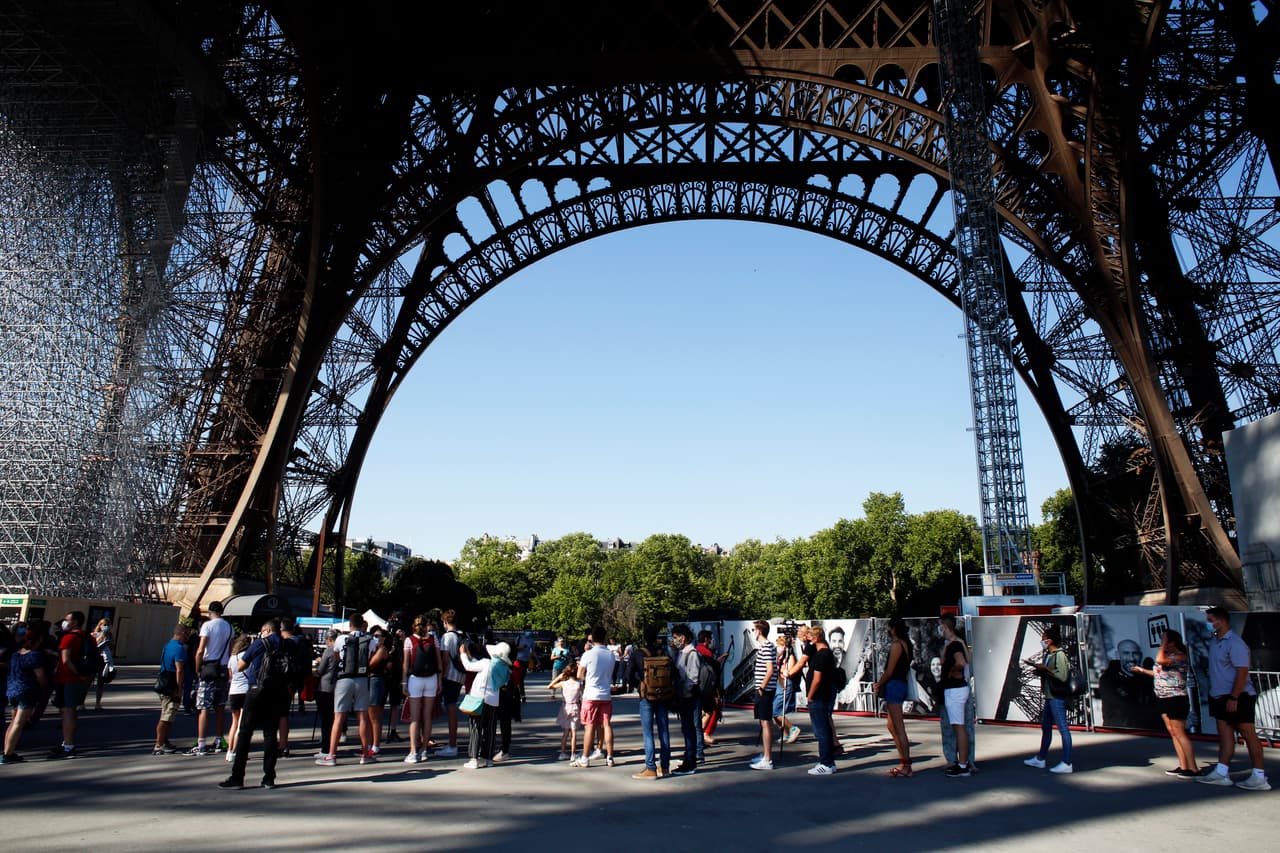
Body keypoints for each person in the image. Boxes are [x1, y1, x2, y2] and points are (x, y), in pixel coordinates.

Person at [1196, 606, 1269, 791]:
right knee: (1225, 734)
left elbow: (1242, 671)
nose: (1208, 623)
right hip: (1219, 696)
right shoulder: (1215, 641)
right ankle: (1222, 772)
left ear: (1221, 620)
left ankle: (1259, 776)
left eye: (1211, 619)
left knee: (1247, 733)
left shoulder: (1235, 643)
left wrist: (1234, 697)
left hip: (1239, 697)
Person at [220, 619, 289, 789]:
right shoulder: (286, 645)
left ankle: (238, 777)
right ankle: (268, 777)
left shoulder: (260, 643)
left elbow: (241, 665)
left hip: (256, 689)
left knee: (245, 732)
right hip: (277, 691)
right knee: (270, 734)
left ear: (266, 630)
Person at [1131, 629, 1198, 778]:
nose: (1164, 644)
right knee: (1173, 732)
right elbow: (1159, 672)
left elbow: (1160, 661)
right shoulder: (1167, 656)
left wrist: (1163, 645)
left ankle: (1193, 768)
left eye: (1166, 641)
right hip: (1163, 697)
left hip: (1176, 697)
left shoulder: (1180, 656)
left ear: (1172, 642)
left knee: (1180, 732)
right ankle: (1183, 765)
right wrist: (1142, 671)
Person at [318, 614, 382, 766]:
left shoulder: (341, 639)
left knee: (339, 717)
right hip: (361, 678)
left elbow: (336, 655)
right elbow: (372, 655)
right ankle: (365, 754)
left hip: (344, 679)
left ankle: (332, 755)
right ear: (363, 624)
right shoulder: (370, 640)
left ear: (350, 625)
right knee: (362, 717)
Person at [1024, 623, 1073, 774]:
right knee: (1046, 728)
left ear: (1050, 641)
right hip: (1050, 695)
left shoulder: (1059, 655)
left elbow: (1062, 676)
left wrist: (1045, 669)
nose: (1042, 641)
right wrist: (1039, 671)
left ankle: (1067, 762)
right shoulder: (1049, 655)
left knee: (1063, 729)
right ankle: (1040, 758)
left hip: (1056, 696)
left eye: (1043, 638)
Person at [627, 626, 672, 779]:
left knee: (648, 732)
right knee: (664, 730)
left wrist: (637, 684)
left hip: (646, 694)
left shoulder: (638, 654)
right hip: (663, 694)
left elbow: (628, 675)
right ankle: (664, 766)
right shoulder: (663, 653)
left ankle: (650, 767)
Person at [460, 640, 511, 769]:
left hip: (479, 699)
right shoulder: (504, 669)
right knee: (490, 730)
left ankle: (474, 759)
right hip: (493, 701)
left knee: (476, 728)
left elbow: (469, 666)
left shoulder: (486, 663)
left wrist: (463, 654)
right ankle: (489, 758)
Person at [191, 600, 233, 755]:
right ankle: (218, 739)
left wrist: (197, 668)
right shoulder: (229, 627)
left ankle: (201, 742)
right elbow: (230, 651)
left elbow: (201, 650)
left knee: (203, 707)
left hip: (209, 667)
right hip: (222, 667)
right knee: (220, 706)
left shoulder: (207, 626)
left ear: (210, 612)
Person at [49, 610, 93, 759]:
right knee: (72, 711)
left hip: (68, 678)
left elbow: (65, 660)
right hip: (80, 680)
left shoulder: (68, 637)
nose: (64, 622)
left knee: (67, 712)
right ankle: (66, 742)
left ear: (74, 622)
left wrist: (76, 673)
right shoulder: (88, 637)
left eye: (67, 620)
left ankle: (68, 746)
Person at [873, 617, 913, 777]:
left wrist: (879, 683)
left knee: (898, 726)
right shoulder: (906, 643)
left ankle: (906, 764)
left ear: (893, 629)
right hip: (899, 683)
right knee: (892, 725)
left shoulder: (897, 645)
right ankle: (903, 761)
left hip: (895, 684)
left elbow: (890, 671)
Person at [3, 623, 49, 763]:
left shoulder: (15, 654)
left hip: (12, 690)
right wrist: (44, 689)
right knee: (19, 723)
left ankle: (7, 750)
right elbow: (40, 676)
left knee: (13, 722)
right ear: (39, 640)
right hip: (26, 691)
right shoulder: (34, 655)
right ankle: (7, 754)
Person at [571, 626, 615, 767]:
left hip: (591, 694)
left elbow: (579, 675)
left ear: (592, 638)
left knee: (589, 725)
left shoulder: (588, 654)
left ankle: (585, 757)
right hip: (605, 694)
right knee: (606, 724)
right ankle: (609, 756)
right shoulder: (610, 654)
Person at [401, 615, 443, 764]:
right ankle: (424, 750)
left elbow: (406, 664)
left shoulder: (409, 640)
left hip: (414, 679)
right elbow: (439, 662)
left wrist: (404, 683)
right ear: (427, 626)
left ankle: (413, 751)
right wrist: (439, 681)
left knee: (414, 717)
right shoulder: (433, 639)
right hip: (431, 678)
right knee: (427, 716)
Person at [1097, 637, 1161, 730]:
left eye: (1135, 654)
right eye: (1126, 653)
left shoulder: (1144, 678)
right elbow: (1128, 708)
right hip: (1119, 735)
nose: (1131, 658)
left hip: (1146, 735)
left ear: (1140, 656)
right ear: (1117, 655)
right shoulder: (1109, 679)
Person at [938, 614, 972, 778]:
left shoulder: (955, 646)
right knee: (959, 726)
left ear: (945, 626)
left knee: (959, 727)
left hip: (955, 689)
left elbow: (962, 662)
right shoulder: (957, 643)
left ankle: (963, 764)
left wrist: (954, 672)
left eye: (941, 626)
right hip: (958, 689)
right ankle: (963, 762)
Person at [805, 624, 838, 776]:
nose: (809, 639)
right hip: (822, 696)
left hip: (818, 697)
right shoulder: (824, 653)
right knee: (823, 729)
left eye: (811, 636)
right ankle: (827, 761)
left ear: (817, 638)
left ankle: (826, 763)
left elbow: (817, 679)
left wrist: (810, 696)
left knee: (821, 731)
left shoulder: (822, 655)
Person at [670, 623, 703, 774]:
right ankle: (688, 757)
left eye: (676, 637)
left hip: (689, 697)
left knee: (690, 729)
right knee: (686, 729)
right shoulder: (682, 652)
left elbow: (693, 678)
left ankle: (691, 761)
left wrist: (684, 692)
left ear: (683, 637)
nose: (674, 640)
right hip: (683, 695)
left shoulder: (692, 653)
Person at [153, 623, 188, 755]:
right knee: (166, 716)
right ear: (183, 633)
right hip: (171, 684)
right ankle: (159, 744)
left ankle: (164, 741)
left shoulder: (168, 645)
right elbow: (179, 669)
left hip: (163, 680)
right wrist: (179, 689)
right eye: (187, 634)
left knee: (168, 714)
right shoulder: (179, 649)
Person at [748, 619, 777, 771]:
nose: (753, 632)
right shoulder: (767, 647)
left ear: (759, 631)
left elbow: (770, 669)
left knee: (765, 722)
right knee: (764, 721)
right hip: (765, 689)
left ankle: (767, 758)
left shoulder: (766, 647)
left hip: (765, 690)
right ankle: (766, 754)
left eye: (753, 630)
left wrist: (762, 688)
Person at [435, 610, 464, 758]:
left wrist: (440, 677)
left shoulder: (446, 637)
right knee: (453, 706)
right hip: (461, 675)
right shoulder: (463, 635)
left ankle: (452, 745)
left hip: (450, 675)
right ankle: (452, 743)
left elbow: (445, 659)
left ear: (445, 622)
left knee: (450, 708)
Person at [224, 633, 253, 763]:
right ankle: (236, 750)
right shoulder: (248, 657)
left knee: (234, 723)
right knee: (242, 724)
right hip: (245, 690)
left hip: (233, 690)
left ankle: (229, 750)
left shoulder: (232, 658)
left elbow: (230, 675)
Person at [695, 629, 727, 744]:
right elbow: (713, 671)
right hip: (708, 687)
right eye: (709, 638)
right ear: (706, 639)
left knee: (701, 711)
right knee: (711, 710)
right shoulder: (706, 653)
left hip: (697, 686)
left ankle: (700, 734)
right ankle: (703, 733)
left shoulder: (696, 650)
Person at [548, 661, 582, 761]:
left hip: (565, 706)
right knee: (574, 732)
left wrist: (558, 678)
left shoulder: (563, 683)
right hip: (575, 706)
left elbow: (549, 686)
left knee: (566, 731)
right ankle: (573, 753)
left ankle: (562, 752)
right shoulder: (578, 684)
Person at [313, 629, 339, 759]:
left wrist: (317, 666)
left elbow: (321, 670)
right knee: (332, 718)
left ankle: (325, 747)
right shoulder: (340, 650)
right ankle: (331, 745)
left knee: (325, 720)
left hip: (325, 686)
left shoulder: (329, 650)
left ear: (329, 639)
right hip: (336, 686)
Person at [773, 632, 801, 746]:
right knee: (775, 711)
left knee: (776, 711)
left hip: (785, 683)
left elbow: (790, 671)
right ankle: (785, 733)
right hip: (779, 682)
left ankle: (793, 728)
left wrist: (783, 671)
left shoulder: (790, 656)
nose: (778, 648)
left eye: (780, 645)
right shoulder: (779, 657)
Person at [91, 617, 115, 711]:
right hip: (94, 659)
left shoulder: (110, 636)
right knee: (88, 680)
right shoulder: (94, 634)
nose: (106, 627)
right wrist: (102, 636)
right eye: (104, 624)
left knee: (100, 682)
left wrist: (109, 643)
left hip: (104, 661)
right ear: (100, 625)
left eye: (108, 625)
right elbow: (94, 646)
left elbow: (112, 648)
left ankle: (98, 703)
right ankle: (81, 702)